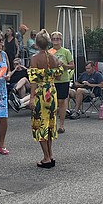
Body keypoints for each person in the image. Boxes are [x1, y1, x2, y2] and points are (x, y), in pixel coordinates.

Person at [28, 30, 62, 168]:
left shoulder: (35, 58)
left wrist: (31, 97)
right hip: (52, 91)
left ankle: (46, 157)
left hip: (41, 92)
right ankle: (50, 154)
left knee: (40, 123)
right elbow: (58, 76)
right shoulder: (53, 58)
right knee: (50, 123)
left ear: (36, 43)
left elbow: (33, 81)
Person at [50, 31, 74, 134]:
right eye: (54, 39)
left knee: (61, 101)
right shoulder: (49, 52)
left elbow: (72, 66)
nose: (56, 41)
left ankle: (62, 125)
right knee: (52, 102)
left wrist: (64, 66)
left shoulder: (66, 52)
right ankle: (52, 124)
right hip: (52, 79)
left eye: (58, 39)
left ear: (61, 40)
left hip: (63, 79)